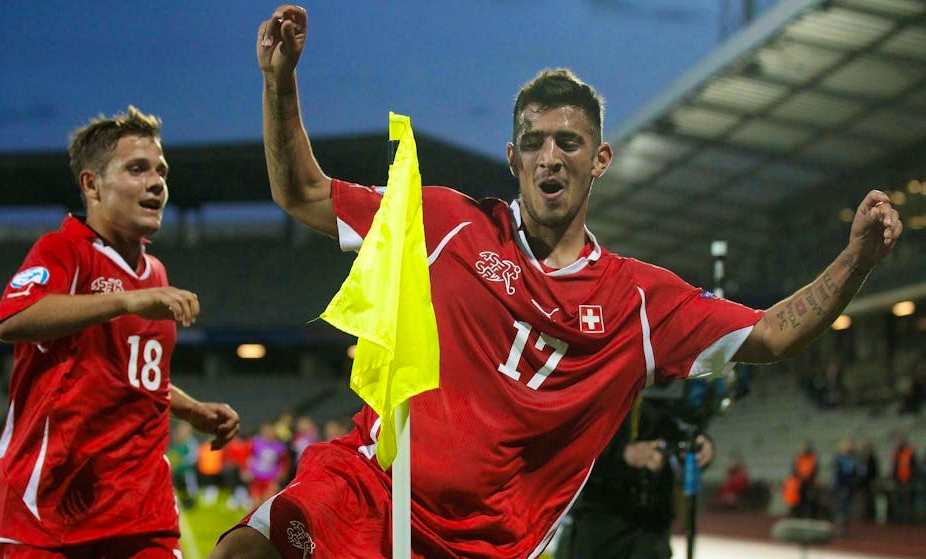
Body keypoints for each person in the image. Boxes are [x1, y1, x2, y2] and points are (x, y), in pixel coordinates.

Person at [210, 6, 903, 558]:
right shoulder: (446, 221)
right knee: (246, 548)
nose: (550, 157)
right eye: (534, 142)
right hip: (372, 487)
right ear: (512, 158)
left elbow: (774, 333)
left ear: (598, 158)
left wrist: (857, 260)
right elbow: (301, 191)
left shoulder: (637, 300)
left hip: (488, 546)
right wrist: (280, 82)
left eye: (567, 142)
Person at [0, 106, 241, 558]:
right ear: (92, 185)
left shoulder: (155, 271)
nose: (157, 182)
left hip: (142, 512)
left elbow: (133, 373)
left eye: (161, 170)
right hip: (51, 512)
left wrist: (192, 410)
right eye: (137, 169)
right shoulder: (62, 250)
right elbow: (12, 319)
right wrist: (125, 300)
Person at [553, 395, 715, 559]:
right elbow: (567, 448)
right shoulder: (595, 384)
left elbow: (687, 430)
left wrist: (702, 446)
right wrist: (623, 453)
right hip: (601, 519)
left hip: (652, 525)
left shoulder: (670, 388)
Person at [792, 439, 821, 518]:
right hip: (799, 482)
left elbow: (814, 470)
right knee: (798, 500)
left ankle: (809, 516)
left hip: (809, 482)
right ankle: (797, 515)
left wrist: (808, 477)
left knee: (810, 500)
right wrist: (800, 477)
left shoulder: (813, 457)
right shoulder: (798, 457)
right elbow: (794, 469)